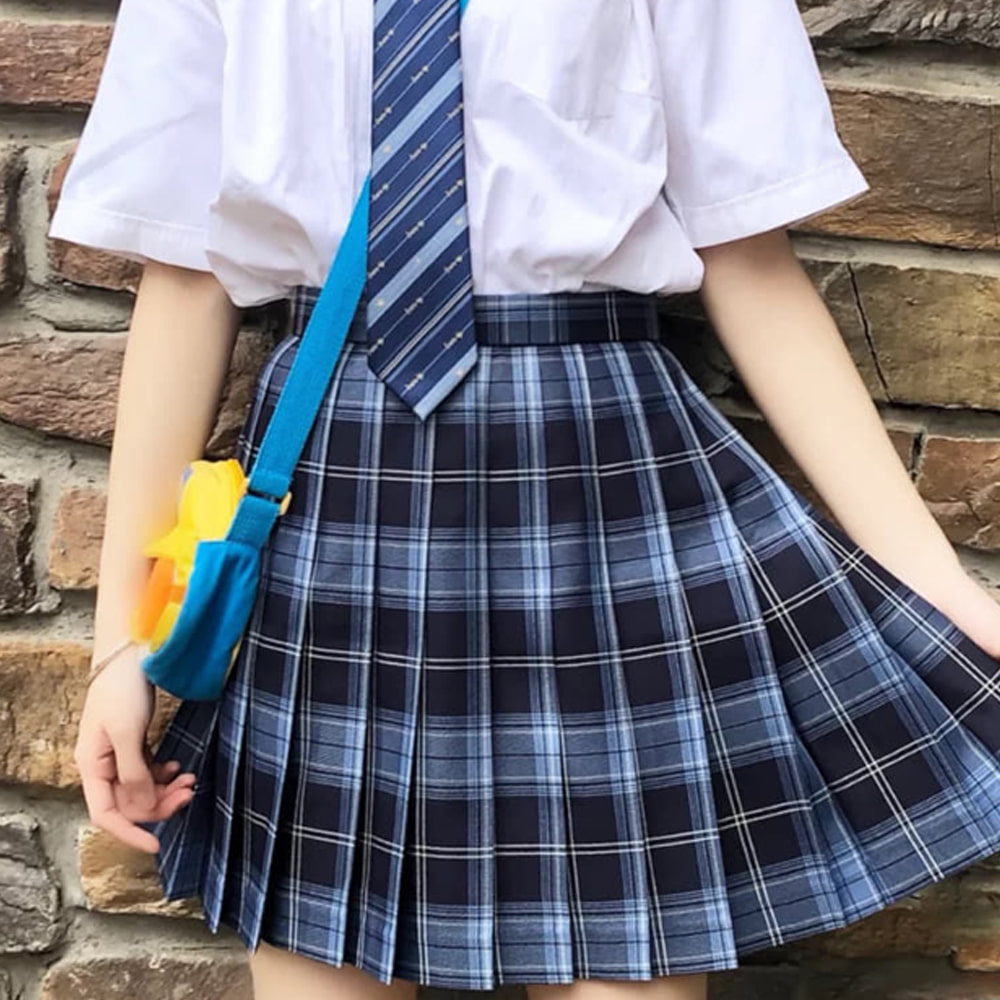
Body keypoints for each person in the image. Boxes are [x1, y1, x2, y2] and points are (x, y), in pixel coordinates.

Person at [50, 1, 1000, 998]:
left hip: (602, 484)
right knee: (321, 957)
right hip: (339, 481)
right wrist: (120, 646)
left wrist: (940, 587)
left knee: (627, 958)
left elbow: (748, 260)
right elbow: (185, 276)